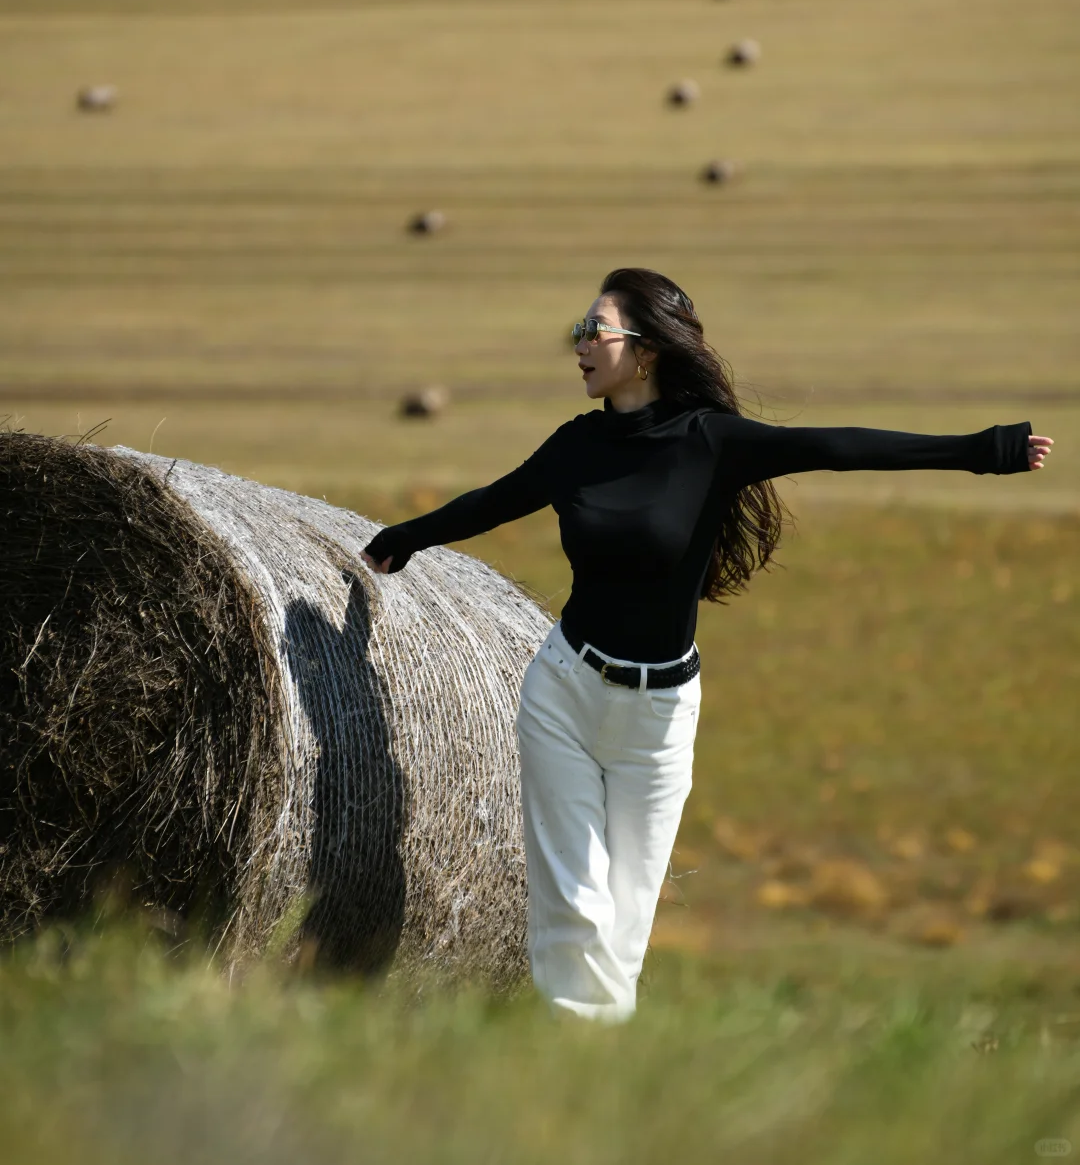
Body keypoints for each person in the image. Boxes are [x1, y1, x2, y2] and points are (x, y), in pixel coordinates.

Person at [361, 267, 1052, 1022]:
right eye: (578, 332)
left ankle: (595, 1079)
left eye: (595, 331)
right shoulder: (575, 446)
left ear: (647, 350)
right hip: (564, 692)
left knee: (625, 919)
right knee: (575, 903)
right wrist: (404, 539)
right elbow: (494, 501)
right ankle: (575, 1066)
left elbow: (837, 447)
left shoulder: (710, 443)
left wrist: (985, 450)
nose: (580, 345)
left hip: (658, 718)